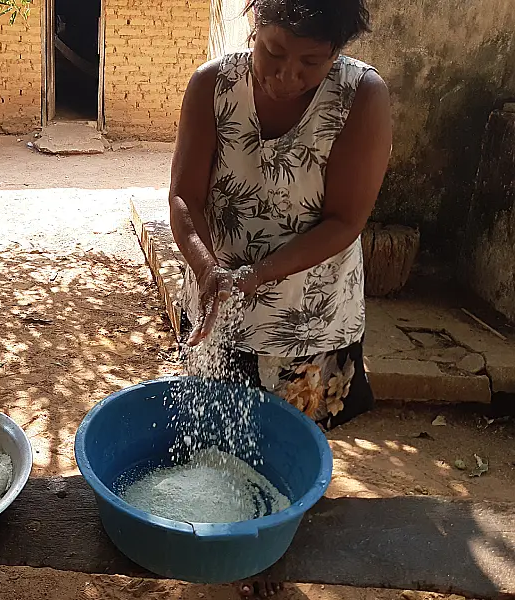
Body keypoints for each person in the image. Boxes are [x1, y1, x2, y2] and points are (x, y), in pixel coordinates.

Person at [170, 0, 390, 589]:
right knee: (221, 436)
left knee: (289, 448)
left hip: (309, 319)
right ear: (255, 26)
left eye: (311, 63)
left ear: (336, 53)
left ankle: (270, 553)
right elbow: (185, 200)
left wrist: (260, 273)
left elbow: (345, 219)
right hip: (223, 309)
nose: (287, 75)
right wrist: (209, 268)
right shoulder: (212, 88)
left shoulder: (360, 99)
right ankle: (226, 542)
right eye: (273, 52)